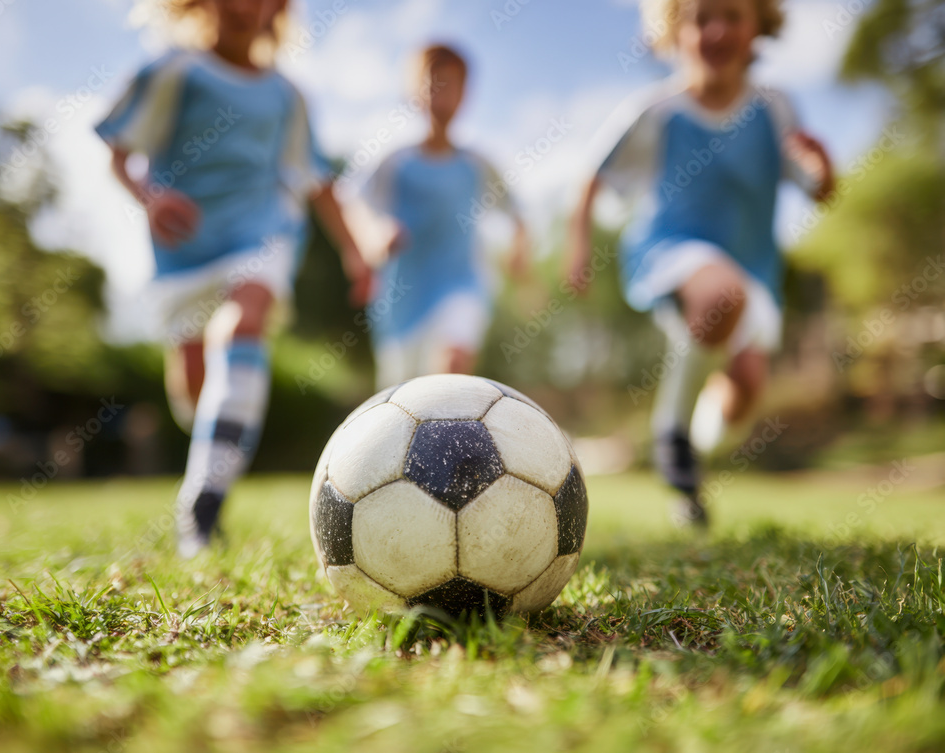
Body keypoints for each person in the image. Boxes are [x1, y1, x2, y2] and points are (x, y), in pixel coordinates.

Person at [95, 0, 370, 556]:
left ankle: (203, 502)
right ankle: (212, 445)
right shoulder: (172, 71)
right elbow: (119, 154)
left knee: (242, 324)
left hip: (262, 235)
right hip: (184, 250)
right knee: (195, 391)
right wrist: (150, 196)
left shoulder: (287, 96)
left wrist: (355, 252)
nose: (247, 6)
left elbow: (318, 183)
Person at [568, 0, 834, 525]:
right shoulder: (657, 111)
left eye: (731, 16)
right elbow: (591, 176)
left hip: (754, 266)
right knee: (719, 295)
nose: (716, 29)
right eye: (700, 18)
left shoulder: (775, 107)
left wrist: (821, 170)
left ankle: (690, 464)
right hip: (670, 250)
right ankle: (671, 431)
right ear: (674, 31)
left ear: (758, 25)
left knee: (745, 389)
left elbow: (814, 185)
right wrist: (578, 245)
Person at [351, 43, 530, 389]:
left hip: (462, 284)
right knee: (402, 399)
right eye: (433, 83)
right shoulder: (394, 161)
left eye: (452, 83)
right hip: (402, 296)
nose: (442, 93)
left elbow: (516, 211)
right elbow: (354, 206)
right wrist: (374, 235)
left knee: (451, 372)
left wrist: (519, 247)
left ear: (466, 94)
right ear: (414, 92)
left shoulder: (477, 165)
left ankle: (456, 439)